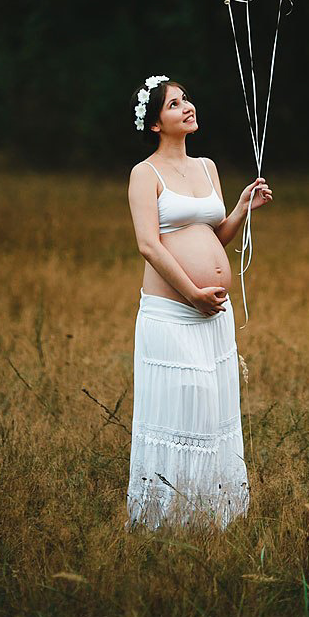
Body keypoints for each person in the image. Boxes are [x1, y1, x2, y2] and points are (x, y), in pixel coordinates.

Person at [125, 74, 272, 531]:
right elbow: (149, 245)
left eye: (186, 99)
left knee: (212, 409)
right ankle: (167, 517)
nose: (187, 106)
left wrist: (241, 209)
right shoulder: (144, 174)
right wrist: (192, 294)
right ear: (155, 124)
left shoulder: (207, 167)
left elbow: (213, 236)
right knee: (185, 402)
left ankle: (212, 514)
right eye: (173, 104)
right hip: (173, 313)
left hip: (213, 314)